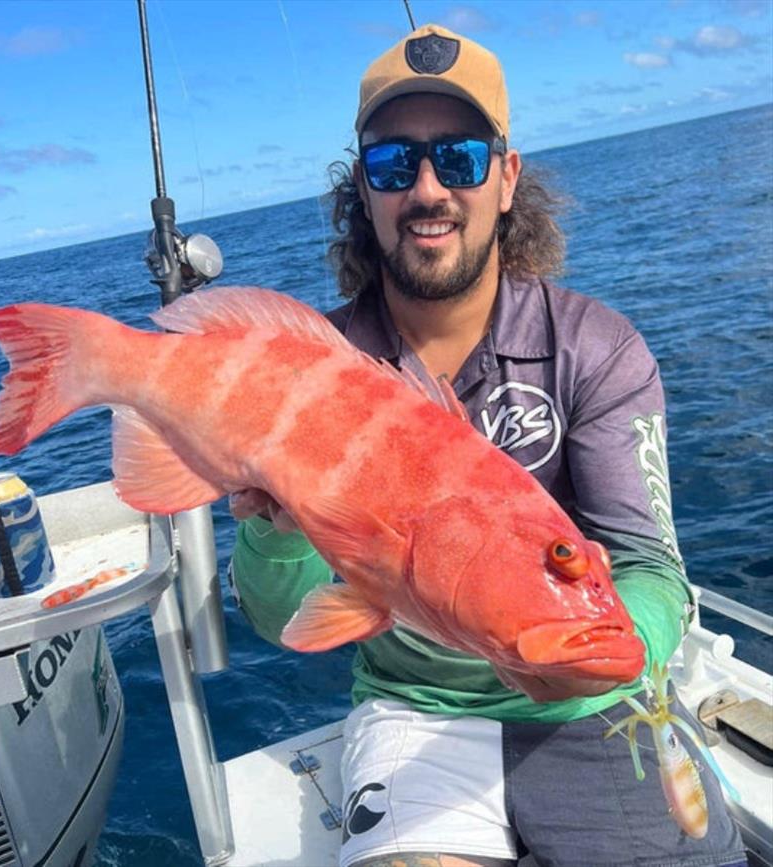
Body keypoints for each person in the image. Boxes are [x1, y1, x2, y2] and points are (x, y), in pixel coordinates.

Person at [228, 24, 747, 867]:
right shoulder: (312, 373)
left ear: (506, 180)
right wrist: (274, 529)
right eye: (396, 163)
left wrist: (618, 657)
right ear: (364, 190)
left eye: (460, 157)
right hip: (410, 703)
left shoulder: (593, 348)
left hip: (593, 710)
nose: (428, 187)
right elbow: (277, 613)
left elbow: (651, 569)